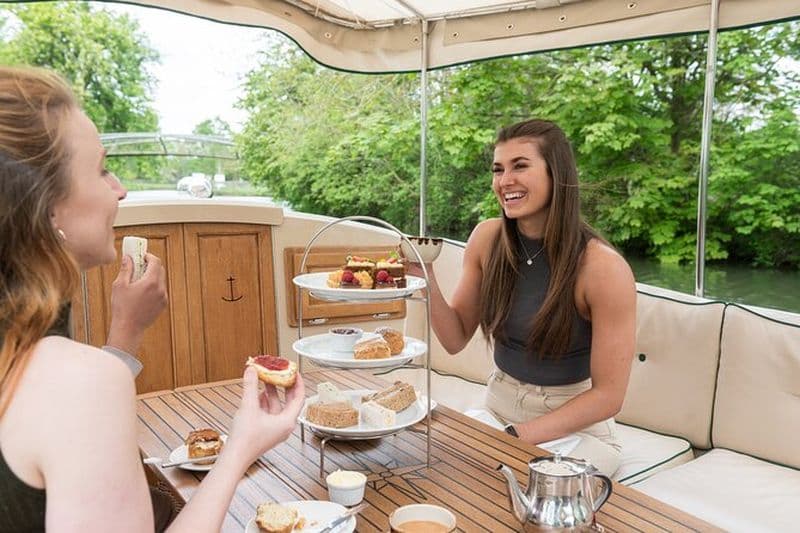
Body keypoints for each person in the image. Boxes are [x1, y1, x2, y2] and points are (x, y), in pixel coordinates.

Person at [0, 66, 305, 532]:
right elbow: (71, 402)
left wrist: (126, 332)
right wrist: (242, 444)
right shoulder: (81, 382)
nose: (120, 189)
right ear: (46, 207)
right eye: (101, 170)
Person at [411, 119, 635, 476]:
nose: (504, 181)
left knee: (540, 491)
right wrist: (423, 274)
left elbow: (609, 396)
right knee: (439, 469)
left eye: (520, 166)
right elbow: (454, 339)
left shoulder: (603, 268)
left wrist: (514, 438)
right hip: (498, 404)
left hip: (574, 428)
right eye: (498, 170)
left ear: (556, 174)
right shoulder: (486, 238)